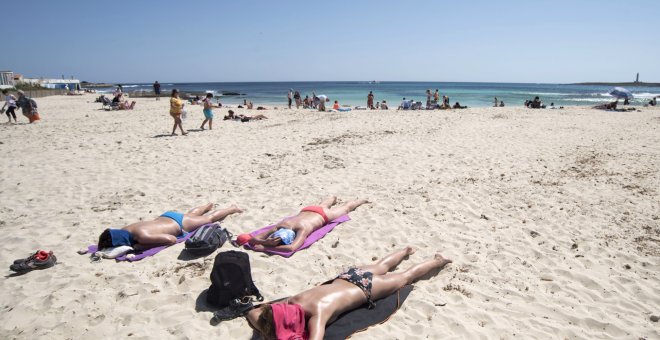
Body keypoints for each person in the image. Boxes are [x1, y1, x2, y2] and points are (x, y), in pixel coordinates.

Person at [246, 246, 452, 339]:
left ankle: (438, 261)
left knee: (407, 277)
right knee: (381, 265)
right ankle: (406, 250)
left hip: (366, 288)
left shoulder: (318, 314)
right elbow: (255, 313)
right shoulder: (292, 301)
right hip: (346, 277)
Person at [239, 196, 368, 252]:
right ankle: (333, 197)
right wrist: (265, 243)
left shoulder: (298, 227)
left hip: (322, 215)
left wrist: (266, 245)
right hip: (309, 209)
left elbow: (291, 247)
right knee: (326, 205)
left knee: (345, 208)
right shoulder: (285, 224)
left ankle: (360, 200)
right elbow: (254, 239)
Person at [97, 203, 242, 250]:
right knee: (190, 215)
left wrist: (141, 246)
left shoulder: (141, 236)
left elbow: (171, 239)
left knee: (209, 219)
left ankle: (231, 208)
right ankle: (207, 205)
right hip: (166, 217)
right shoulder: (125, 229)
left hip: (179, 224)